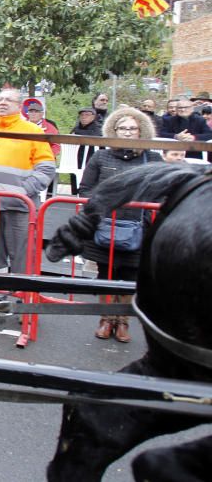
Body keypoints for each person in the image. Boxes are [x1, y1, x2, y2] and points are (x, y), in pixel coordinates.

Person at [78, 107, 162, 343]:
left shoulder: (153, 158)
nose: (127, 132)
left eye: (132, 128)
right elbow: (85, 189)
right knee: (106, 275)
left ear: (140, 131)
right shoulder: (100, 157)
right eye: (122, 128)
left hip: (138, 228)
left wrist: (145, 217)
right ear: (113, 130)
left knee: (129, 278)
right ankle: (105, 320)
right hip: (105, 227)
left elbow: (160, 192)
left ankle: (123, 322)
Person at [0, 89, 56, 274]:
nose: (3, 102)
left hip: (21, 207)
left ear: (18, 105)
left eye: (9, 99)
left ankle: (20, 299)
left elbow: (46, 168)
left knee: (22, 261)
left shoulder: (33, 132)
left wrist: (22, 192)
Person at [69, 107, 102, 195]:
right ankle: (75, 192)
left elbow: (96, 137)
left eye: (87, 115)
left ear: (93, 117)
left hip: (91, 158)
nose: (84, 117)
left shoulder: (98, 127)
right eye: (82, 115)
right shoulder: (76, 127)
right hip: (76, 158)